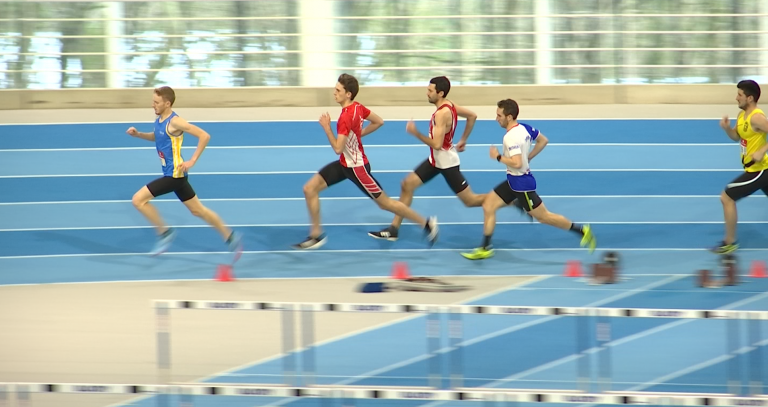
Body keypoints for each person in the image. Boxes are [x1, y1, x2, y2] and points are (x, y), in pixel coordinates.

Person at [292, 74, 439, 249]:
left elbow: (338, 148)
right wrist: (357, 134)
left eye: (338, 90)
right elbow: (379, 122)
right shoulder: (358, 107)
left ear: (348, 94)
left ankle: (426, 224)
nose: (334, 93)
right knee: (309, 189)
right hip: (345, 164)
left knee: (386, 204)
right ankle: (316, 235)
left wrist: (327, 128)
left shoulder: (345, 118)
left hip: (357, 169)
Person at [461, 99, 596, 260]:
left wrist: (498, 157)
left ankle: (581, 231)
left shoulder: (510, 138)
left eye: (499, 115)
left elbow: (517, 163)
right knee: (488, 205)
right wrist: (529, 156)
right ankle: (485, 247)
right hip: (513, 180)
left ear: (509, 117)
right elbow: (543, 140)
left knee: (544, 217)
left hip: (521, 185)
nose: (496, 118)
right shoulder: (524, 128)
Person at [126, 86, 243, 258]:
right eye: (153, 102)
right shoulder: (159, 120)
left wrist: (192, 160)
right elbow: (156, 136)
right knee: (198, 211)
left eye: (156, 102)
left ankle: (165, 233)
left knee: (138, 200)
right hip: (176, 175)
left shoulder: (176, 122)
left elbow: (204, 136)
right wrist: (138, 134)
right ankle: (229, 236)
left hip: (174, 175)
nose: (153, 105)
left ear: (167, 103)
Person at [368, 76, 487, 241]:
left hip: (446, 163)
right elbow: (472, 116)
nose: (427, 93)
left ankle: (507, 199)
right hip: (435, 161)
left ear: (441, 93)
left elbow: (437, 144)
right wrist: (463, 140)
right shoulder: (449, 105)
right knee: (407, 185)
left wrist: (416, 133)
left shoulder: (443, 113)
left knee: (470, 200)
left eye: (430, 91)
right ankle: (394, 228)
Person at [712, 80, 768, 254]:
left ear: (750, 98)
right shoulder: (742, 116)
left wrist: (762, 150)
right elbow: (737, 136)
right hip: (755, 170)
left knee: (726, 197)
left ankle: (729, 242)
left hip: (759, 170)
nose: (736, 98)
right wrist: (727, 129)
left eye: (740, 95)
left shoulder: (757, 117)